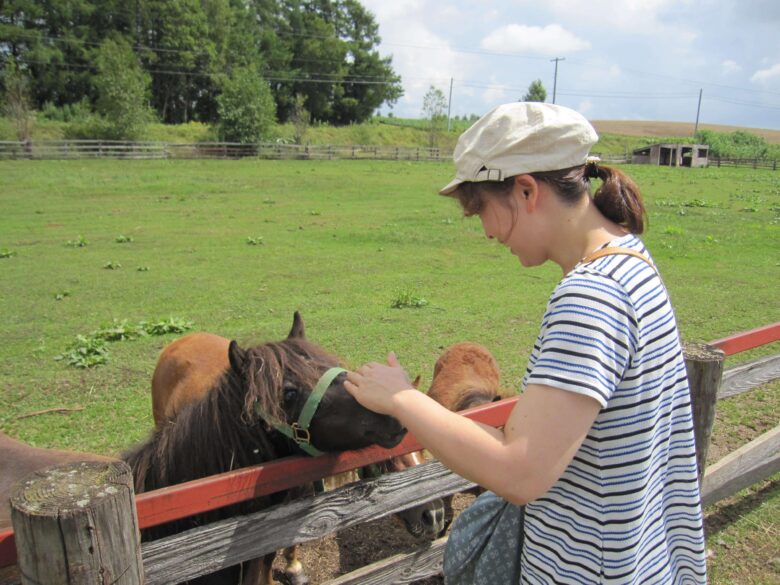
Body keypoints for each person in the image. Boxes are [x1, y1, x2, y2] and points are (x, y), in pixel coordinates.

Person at [344, 102, 707, 584]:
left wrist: (402, 398)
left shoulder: (590, 296)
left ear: (526, 189)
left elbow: (520, 472)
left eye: (482, 211)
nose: (488, 232)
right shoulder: (633, 260)